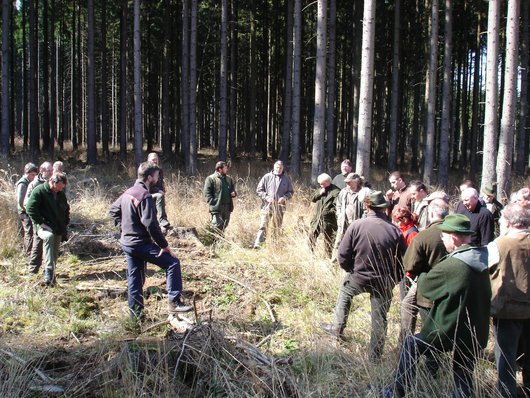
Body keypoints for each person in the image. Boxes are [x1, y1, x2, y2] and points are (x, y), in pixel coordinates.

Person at [383, 214, 491, 398]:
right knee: (463, 369)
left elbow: (426, 287)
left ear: (454, 238)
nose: (441, 238)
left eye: (444, 235)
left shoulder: (453, 265)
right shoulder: (482, 258)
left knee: (411, 344)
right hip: (475, 331)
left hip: (450, 330)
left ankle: (397, 391)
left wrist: (422, 275)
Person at [320, 191, 407, 360]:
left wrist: (350, 270)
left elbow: (342, 254)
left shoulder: (356, 225)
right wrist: (393, 280)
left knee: (345, 294)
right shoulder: (394, 231)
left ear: (367, 206)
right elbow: (404, 262)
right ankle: (374, 355)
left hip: (358, 276)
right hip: (383, 281)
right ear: (384, 208)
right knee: (379, 317)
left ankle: (337, 329)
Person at [109, 162, 191, 318]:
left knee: (136, 279)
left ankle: (136, 317)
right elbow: (151, 224)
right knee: (173, 263)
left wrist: (124, 229)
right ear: (149, 178)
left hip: (128, 243)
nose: (158, 178)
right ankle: (175, 303)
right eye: (156, 176)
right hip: (139, 244)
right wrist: (164, 245)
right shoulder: (144, 195)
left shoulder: (129, 192)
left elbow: (113, 211)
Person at [488, 203, 530, 398]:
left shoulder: (499, 244)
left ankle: (507, 394)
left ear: (508, 222)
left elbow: (484, 270)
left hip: (507, 309)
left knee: (506, 357)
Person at [400, 199, 448, 338]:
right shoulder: (457, 234)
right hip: (453, 286)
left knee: (409, 307)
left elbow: (409, 265)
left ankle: (406, 345)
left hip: (428, 287)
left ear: (431, 214)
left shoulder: (423, 236)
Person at [25, 172, 70, 286]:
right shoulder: (39, 191)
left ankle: (51, 278)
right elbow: (30, 208)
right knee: (48, 237)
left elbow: (66, 209)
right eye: (57, 187)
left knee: (54, 253)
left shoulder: (60, 194)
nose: (58, 190)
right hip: (44, 226)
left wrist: (65, 224)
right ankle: (48, 271)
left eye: (61, 188)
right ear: (52, 181)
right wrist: (40, 223)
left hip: (58, 227)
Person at [253, 160, 294, 248]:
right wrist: (266, 197)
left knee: (277, 226)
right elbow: (259, 190)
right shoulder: (267, 177)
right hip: (267, 206)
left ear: (283, 169)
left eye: (280, 168)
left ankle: (274, 244)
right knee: (263, 225)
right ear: (274, 167)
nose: (278, 169)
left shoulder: (286, 179)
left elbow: (290, 192)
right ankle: (258, 244)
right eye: (277, 167)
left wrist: (285, 198)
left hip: (280, 207)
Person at [332, 173, 371, 261]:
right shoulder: (343, 191)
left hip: (356, 225)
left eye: (349, 182)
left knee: (354, 244)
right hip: (343, 223)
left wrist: (361, 222)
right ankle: (334, 261)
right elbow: (338, 204)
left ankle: (351, 263)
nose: (347, 184)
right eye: (346, 182)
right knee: (338, 242)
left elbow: (366, 210)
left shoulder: (363, 193)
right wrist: (339, 214)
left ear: (356, 182)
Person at [24, 161, 54, 274]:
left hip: (51, 218)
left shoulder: (53, 182)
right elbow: (26, 203)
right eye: (49, 171)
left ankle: (49, 270)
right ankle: (33, 270)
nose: (51, 173)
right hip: (38, 219)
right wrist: (37, 216)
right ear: (42, 171)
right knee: (37, 243)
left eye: (52, 170)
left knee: (50, 243)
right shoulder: (34, 184)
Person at [309, 173, 341, 258]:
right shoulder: (321, 189)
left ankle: (328, 257)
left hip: (329, 221)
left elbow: (337, 207)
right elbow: (312, 198)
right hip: (317, 219)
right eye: (320, 183)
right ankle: (311, 254)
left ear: (328, 182)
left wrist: (326, 212)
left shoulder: (336, 192)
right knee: (311, 236)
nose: (320, 185)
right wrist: (319, 193)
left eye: (322, 183)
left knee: (328, 240)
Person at [203, 161, 237, 237]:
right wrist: (213, 202)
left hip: (227, 206)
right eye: (225, 168)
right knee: (216, 225)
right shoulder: (211, 178)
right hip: (217, 207)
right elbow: (207, 193)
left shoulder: (229, 179)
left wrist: (233, 193)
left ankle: (220, 240)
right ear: (219, 169)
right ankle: (214, 241)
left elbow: (232, 189)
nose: (227, 169)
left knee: (225, 224)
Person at [15, 162, 39, 256]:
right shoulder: (23, 183)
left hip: (28, 210)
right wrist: (28, 210)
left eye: (35, 175)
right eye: (32, 174)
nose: (33, 177)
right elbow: (21, 201)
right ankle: (28, 253)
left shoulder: (30, 182)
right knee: (28, 231)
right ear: (27, 173)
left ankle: (31, 251)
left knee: (31, 231)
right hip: (24, 212)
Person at [146, 152, 171, 231]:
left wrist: (163, 190)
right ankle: (162, 220)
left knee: (160, 199)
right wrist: (158, 190)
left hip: (157, 193)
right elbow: (146, 185)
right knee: (159, 196)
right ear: (148, 160)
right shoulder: (145, 170)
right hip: (146, 194)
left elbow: (161, 182)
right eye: (153, 160)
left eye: (156, 160)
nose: (155, 161)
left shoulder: (159, 170)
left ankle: (160, 223)